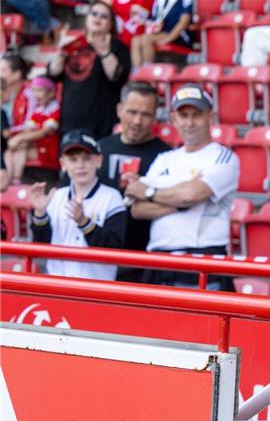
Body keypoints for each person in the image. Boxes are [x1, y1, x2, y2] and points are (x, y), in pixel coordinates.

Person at [126, 84, 238, 291]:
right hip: (159, 260)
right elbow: (138, 209)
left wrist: (150, 193)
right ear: (174, 119)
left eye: (196, 115)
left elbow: (191, 194)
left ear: (210, 117)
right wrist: (180, 202)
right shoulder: (164, 159)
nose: (190, 122)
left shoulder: (223, 156)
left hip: (203, 257)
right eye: (184, 115)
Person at [27, 129, 126, 281]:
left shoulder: (112, 198)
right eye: (73, 159)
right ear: (63, 164)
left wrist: (84, 222)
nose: (80, 165)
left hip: (96, 290)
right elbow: (40, 246)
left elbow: (113, 248)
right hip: (56, 286)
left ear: (98, 161)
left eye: (86, 158)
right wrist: (40, 213)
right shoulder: (57, 196)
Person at [97, 81, 171, 280]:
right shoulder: (99, 150)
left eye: (146, 114)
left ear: (155, 116)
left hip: (146, 264)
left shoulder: (168, 157)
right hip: (98, 260)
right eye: (132, 112)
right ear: (119, 110)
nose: (138, 121)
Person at [47, 0, 132, 139]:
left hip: (100, 125)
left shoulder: (118, 47)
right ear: (87, 19)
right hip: (70, 123)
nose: (98, 18)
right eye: (94, 14)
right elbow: (52, 74)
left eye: (104, 16)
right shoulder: (74, 44)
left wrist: (104, 52)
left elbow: (118, 78)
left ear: (111, 24)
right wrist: (61, 52)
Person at [3, 76, 60, 185]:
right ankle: (7, 181)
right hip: (37, 148)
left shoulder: (55, 109)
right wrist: (19, 140)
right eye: (34, 91)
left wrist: (19, 139)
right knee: (9, 152)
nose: (36, 94)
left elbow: (44, 132)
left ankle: (16, 179)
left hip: (49, 152)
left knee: (21, 148)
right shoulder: (38, 110)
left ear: (52, 93)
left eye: (39, 90)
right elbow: (28, 129)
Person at [130, 0, 195, 69]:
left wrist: (167, 39)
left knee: (146, 39)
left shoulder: (185, 1)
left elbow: (184, 22)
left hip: (179, 36)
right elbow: (154, 20)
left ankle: (148, 72)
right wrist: (142, 18)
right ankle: (137, 71)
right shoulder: (159, 1)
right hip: (161, 33)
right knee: (135, 40)